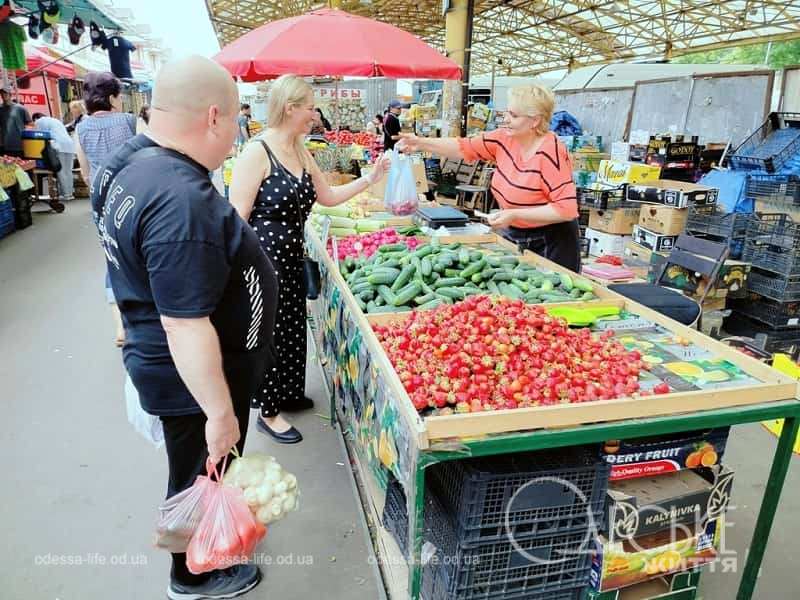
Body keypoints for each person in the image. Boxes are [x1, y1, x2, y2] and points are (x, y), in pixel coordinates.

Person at [91, 55, 278, 600]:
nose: (236, 137)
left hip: (178, 364)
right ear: (215, 117)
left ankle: (207, 549)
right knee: (198, 471)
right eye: (238, 121)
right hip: (194, 377)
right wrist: (221, 414)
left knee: (198, 470)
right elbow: (185, 324)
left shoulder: (129, 161)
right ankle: (194, 573)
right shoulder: (181, 201)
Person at [229, 74, 390, 444]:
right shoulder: (258, 151)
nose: (315, 114)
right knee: (269, 330)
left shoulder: (301, 149)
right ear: (290, 108)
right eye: (310, 106)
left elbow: (328, 196)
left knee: (291, 326)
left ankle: (287, 391)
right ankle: (268, 412)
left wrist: (370, 178)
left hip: (291, 255)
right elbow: (236, 216)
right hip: (262, 259)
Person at [397, 85, 581, 272]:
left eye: (514, 116)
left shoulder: (552, 151)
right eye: (507, 112)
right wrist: (420, 142)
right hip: (515, 232)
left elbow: (566, 210)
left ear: (535, 121)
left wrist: (515, 214)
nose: (506, 120)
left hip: (552, 241)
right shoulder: (504, 139)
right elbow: (463, 147)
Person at [75, 72, 138, 347]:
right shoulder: (129, 121)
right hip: (134, 197)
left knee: (113, 258)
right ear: (113, 97)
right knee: (140, 255)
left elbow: (85, 171)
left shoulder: (81, 128)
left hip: (102, 202)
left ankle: (120, 325)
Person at [32, 112, 76, 204]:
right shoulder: (55, 120)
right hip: (70, 145)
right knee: (68, 170)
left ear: (35, 118)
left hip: (59, 146)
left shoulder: (39, 121)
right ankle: (70, 193)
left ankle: (66, 195)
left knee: (61, 170)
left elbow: (40, 135)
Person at [0, 87, 31, 157]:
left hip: (18, 145)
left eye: (5, 93)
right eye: (1, 94)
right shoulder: (0, 109)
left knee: (19, 166)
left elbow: (30, 124)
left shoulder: (20, 108)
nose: (3, 95)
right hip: (4, 145)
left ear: (10, 95)